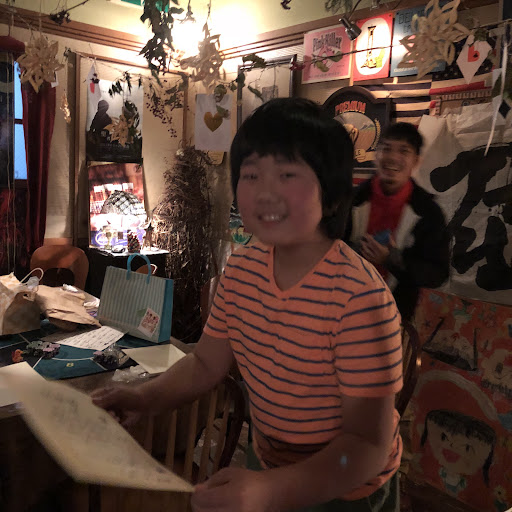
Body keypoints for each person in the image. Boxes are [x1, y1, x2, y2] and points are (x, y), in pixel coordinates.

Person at [92, 98, 403, 512]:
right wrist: (144, 398)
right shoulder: (241, 269)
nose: (265, 192)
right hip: (268, 462)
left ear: (331, 197)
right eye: (252, 174)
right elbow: (205, 364)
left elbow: (366, 446)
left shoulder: (360, 299)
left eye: (287, 175)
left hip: (346, 488)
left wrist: (270, 490)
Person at [345, 122, 450, 322]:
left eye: (403, 151)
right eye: (386, 149)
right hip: (343, 310)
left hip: (394, 316)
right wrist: (352, 252)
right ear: (376, 155)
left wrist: (393, 260)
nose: (393, 157)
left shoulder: (429, 212)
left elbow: (437, 274)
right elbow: (325, 246)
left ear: (416, 161)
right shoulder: (350, 200)